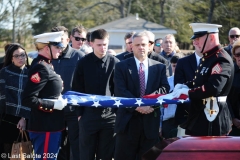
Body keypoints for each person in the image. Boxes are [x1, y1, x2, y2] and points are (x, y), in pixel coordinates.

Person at [114, 31, 169, 160]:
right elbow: (120, 91)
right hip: (127, 123)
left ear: (149, 46)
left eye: (144, 44)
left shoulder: (159, 67)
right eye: (137, 44)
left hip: (150, 124)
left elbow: (164, 88)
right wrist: (138, 106)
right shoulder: (121, 66)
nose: (141, 47)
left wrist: (148, 103)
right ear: (131, 46)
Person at [172, 23, 234, 136]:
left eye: (198, 39)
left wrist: (187, 92)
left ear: (211, 37)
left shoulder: (220, 59)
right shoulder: (208, 58)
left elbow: (213, 88)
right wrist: (186, 85)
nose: (195, 42)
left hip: (214, 117)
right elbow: (201, 81)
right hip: (201, 116)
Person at [72, 29, 119, 160]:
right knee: (86, 154)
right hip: (88, 116)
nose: (103, 48)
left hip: (110, 116)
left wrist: (115, 112)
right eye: (99, 45)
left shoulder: (115, 63)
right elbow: (77, 88)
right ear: (91, 44)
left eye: (105, 44)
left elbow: (119, 90)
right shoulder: (83, 63)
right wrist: (80, 114)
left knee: (106, 155)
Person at [22, 31, 68, 160]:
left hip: (51, 125)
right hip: (45, 126)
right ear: (47, 48)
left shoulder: (47, 65)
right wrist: (53, 105)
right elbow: (28, 98)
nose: (60, 50)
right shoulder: (41, 67)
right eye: (57, 47)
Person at [51, 26, 85, 160]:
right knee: (55, 144)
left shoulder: (79, 57)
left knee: (76, 144)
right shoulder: (47, 57)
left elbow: (85, 85)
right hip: (52, 110)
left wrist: (82, 110)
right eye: (55, 40)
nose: (58, 42)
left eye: (61, 39)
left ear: (67, 38)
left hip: (74, 110)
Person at [0, 43, 30, 159]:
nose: (20, 58)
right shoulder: (4, 72)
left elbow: (32, 97)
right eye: (16, 56)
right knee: (5, 153)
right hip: (6, 117)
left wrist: (24, 117)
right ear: (11, 59)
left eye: (22, 55)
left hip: (24, 118)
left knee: (21, 153)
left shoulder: (31, 73)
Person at [174, 40, 202, 136]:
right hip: (187, 115)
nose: (200, 44)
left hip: (210, 113)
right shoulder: (183, 62)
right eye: (197, 41)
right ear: (194, 43)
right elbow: (178, 87)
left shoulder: (215, 62)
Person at [161, 55, 179, 139]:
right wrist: (159, 125)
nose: (176, 68)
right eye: (174, 66)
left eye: (178, 65)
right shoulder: (167, 81)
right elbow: (161, 104)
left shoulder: (190, 81)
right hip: (168, 119)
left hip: (183, 120)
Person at [227, 40, 240, 136]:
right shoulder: (229, 73)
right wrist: (232, 118)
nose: (239, 57)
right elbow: (225, 98)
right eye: (237, 55)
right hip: (233, 124)